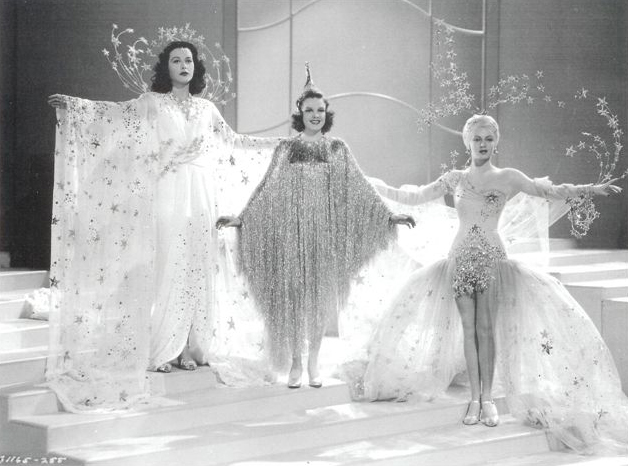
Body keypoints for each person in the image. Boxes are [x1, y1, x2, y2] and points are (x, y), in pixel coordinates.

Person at [349, 114, 627, 454]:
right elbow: (414, 197)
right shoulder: (454, 178)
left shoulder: (508, 177)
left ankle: (489, 399)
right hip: (459, 258)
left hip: (493, 259)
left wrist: (590, 189)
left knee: (485, 329)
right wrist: (370, 184)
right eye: (477, 138)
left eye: (488, 138)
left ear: (496, 142)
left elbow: (547, 191)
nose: (483, 144)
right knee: (469, 329)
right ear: (467, 143)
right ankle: (475, 399)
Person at [46, 40, 277, 411]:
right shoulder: (152, 103)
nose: (184, 65)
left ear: (195, 67)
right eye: (176, 60)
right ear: (165, 68)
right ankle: (165, 347)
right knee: (171, 265)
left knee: (198, 266)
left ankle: (189, 346)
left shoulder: (207, 108)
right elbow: (115, 116)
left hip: (201, 194)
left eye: (189, 60)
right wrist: (77, 108)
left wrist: (283, 144)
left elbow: (235, 142)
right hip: (168, 190)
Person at [216, 68, 415, 389]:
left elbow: (359, 187)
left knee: (320, 303)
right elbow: (266, 188)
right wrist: (243, 218)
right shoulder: (286, 149)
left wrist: (388, 216)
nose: (315, 115)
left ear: (327, 113)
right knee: (294, 302)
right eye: (309, 110)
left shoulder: (338, 149)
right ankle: (296, 363)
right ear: (300, 113)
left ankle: (314, 363)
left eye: (320, 110)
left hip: (324, 236)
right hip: (292, 236)